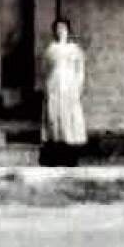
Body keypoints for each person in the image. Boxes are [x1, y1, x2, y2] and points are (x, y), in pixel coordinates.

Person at [42, 18, 87, 166]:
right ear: (54, 31)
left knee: (70, 117)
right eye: (58, 28)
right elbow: (45, 70)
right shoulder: (51, 49)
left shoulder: (75, 49)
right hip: (54, 86)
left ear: (68, 31)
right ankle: (55, 151)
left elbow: (80, 71)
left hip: (70, 87)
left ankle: (71, 154)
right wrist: (48, 87)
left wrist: (78, 87)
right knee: (55, 117)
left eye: (63, 28)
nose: (60, 31)